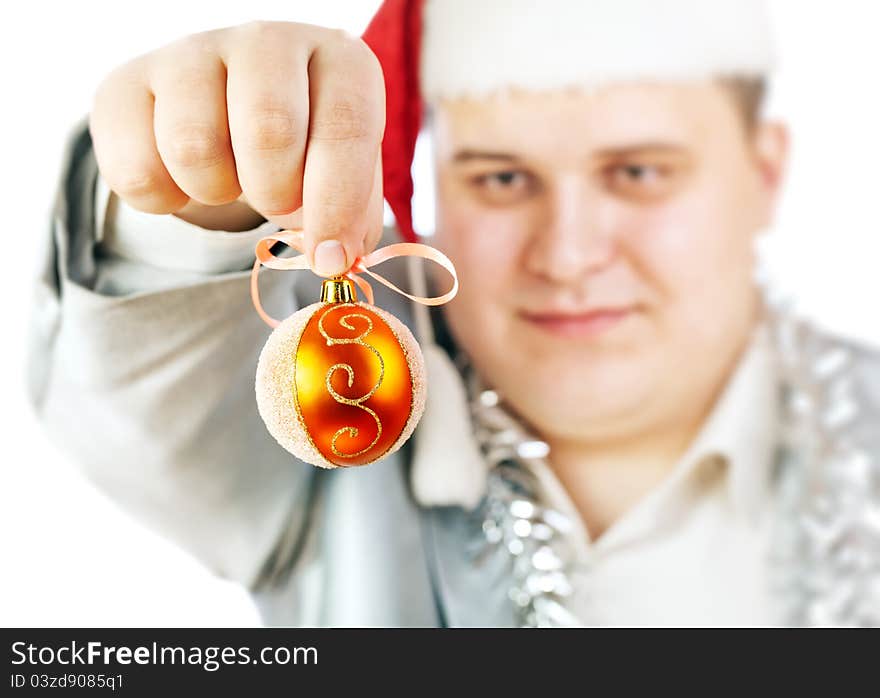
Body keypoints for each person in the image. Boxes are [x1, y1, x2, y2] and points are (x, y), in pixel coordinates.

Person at [27, 0, 880, 627]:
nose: (570, 254)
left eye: (639, 173)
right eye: (502, 179)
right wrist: (198, 184)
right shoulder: (341, 444)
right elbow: (146, 388)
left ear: (765, 175)